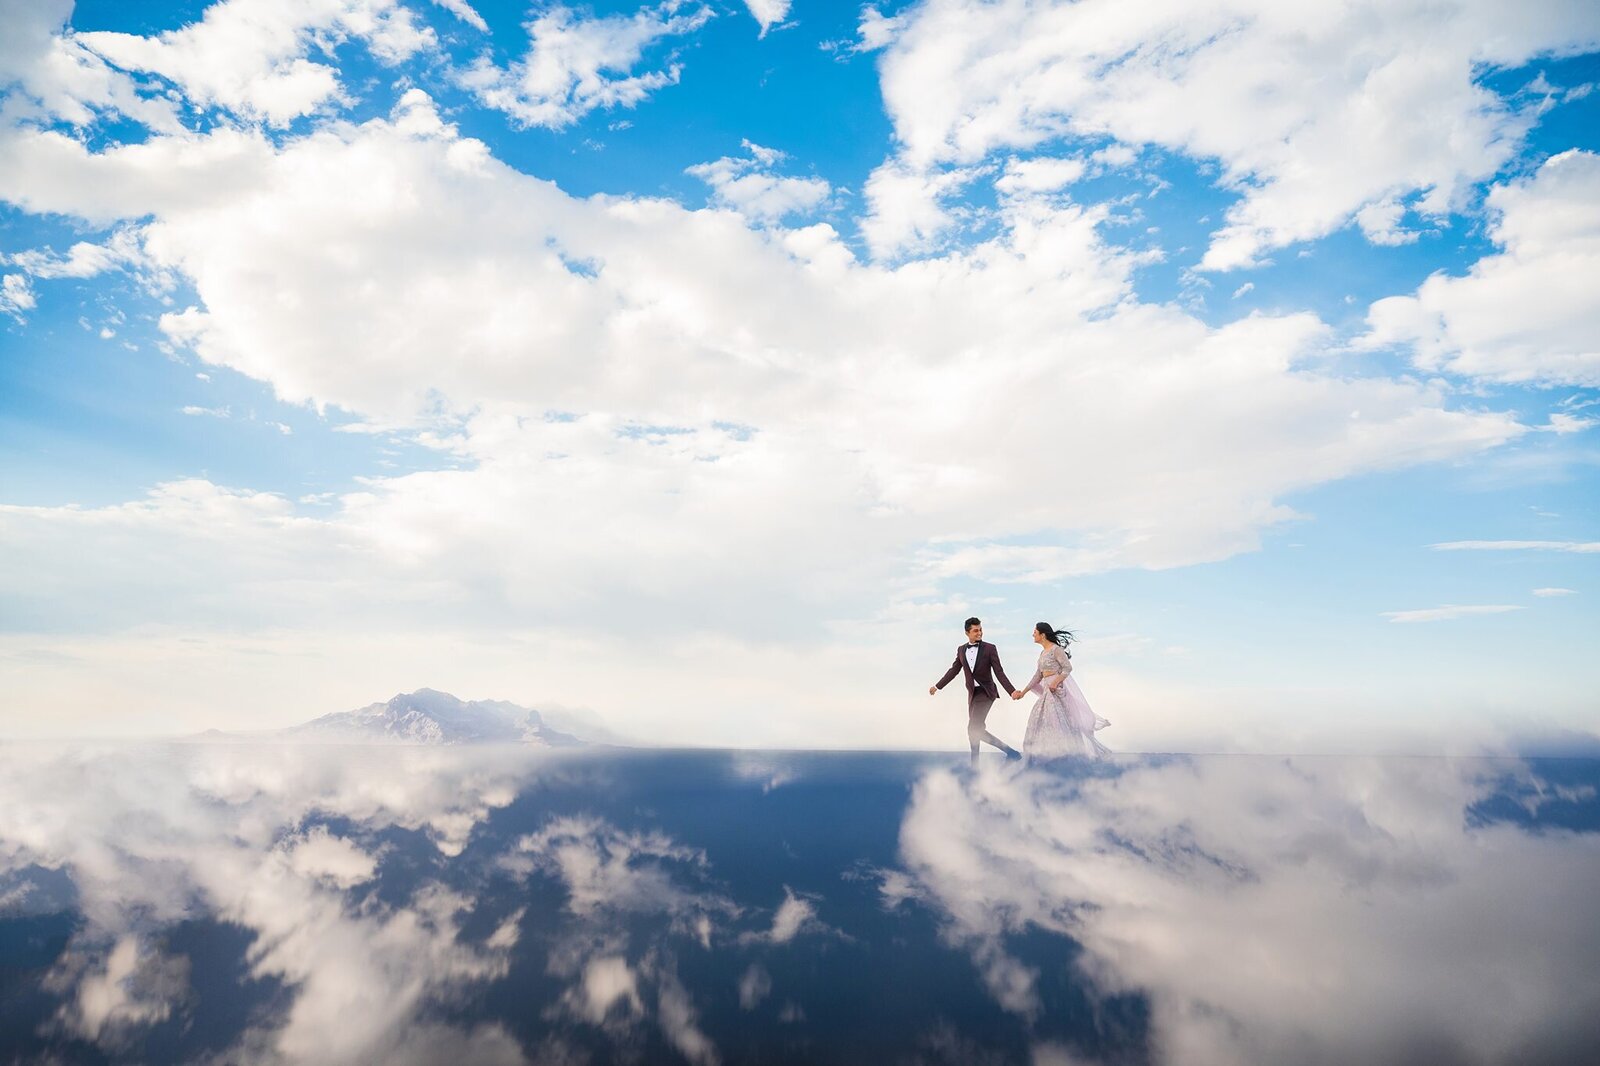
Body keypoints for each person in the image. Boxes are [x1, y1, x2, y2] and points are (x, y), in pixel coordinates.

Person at [1011, 622, 1111, 762]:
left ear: (1043, 635)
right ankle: (1042, 756)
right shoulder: (1042, 653)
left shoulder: (1056, 649)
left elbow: (1067, 668)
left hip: (1056, 691)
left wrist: (1055, 682)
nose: (1033, 634)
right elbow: (1038, 675)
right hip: (1048, 691)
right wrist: (1024, 692)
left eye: (1035, 632)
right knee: (1038, 719)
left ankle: (1066, 756)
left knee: (1059, 722)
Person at [930, 617, 1022, 766]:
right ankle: (1011, 753)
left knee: (973, 728)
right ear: (967, 632)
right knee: (975, 729)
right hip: (972, 694)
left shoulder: (990, 648)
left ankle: (977, 765)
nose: (979, 633)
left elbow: (999, 672)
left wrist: (1011, 691)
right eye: (975, 630)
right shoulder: (961, 650)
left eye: (980, 630)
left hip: (986, 693)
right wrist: (937, 686)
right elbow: (953, 670)